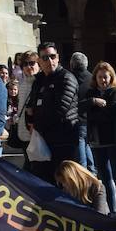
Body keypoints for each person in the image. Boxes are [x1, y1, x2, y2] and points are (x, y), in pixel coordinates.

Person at [29, 42, 81, 173]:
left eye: (52, 56)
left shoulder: (66, 78)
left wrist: (38, 125)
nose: (50, 61)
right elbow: (33, 106)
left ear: (57, 57)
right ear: (39, 61)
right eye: (45, 58)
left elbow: (60, 110)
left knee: (66, 181)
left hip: (64, 139)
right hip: (43, 140)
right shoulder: (38, 80)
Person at [81, 61, 116, 214]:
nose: (103, 80)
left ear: (111, 77)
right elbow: (81, 109)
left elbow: (110, 115)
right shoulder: (91, 94)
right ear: (95, 78)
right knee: (105, 180)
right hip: (96, 142)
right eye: (100, 77)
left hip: (112, 141)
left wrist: (93, 112)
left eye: (105, 77)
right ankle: (112, 210)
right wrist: (94, 102)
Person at [69, 52, 95, 171]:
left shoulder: (70, 78)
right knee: (86, 144)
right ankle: (92, 169)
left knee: (80, 143)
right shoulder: (92, 78)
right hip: (90, 117)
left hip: (77, 116)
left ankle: (84, 170)